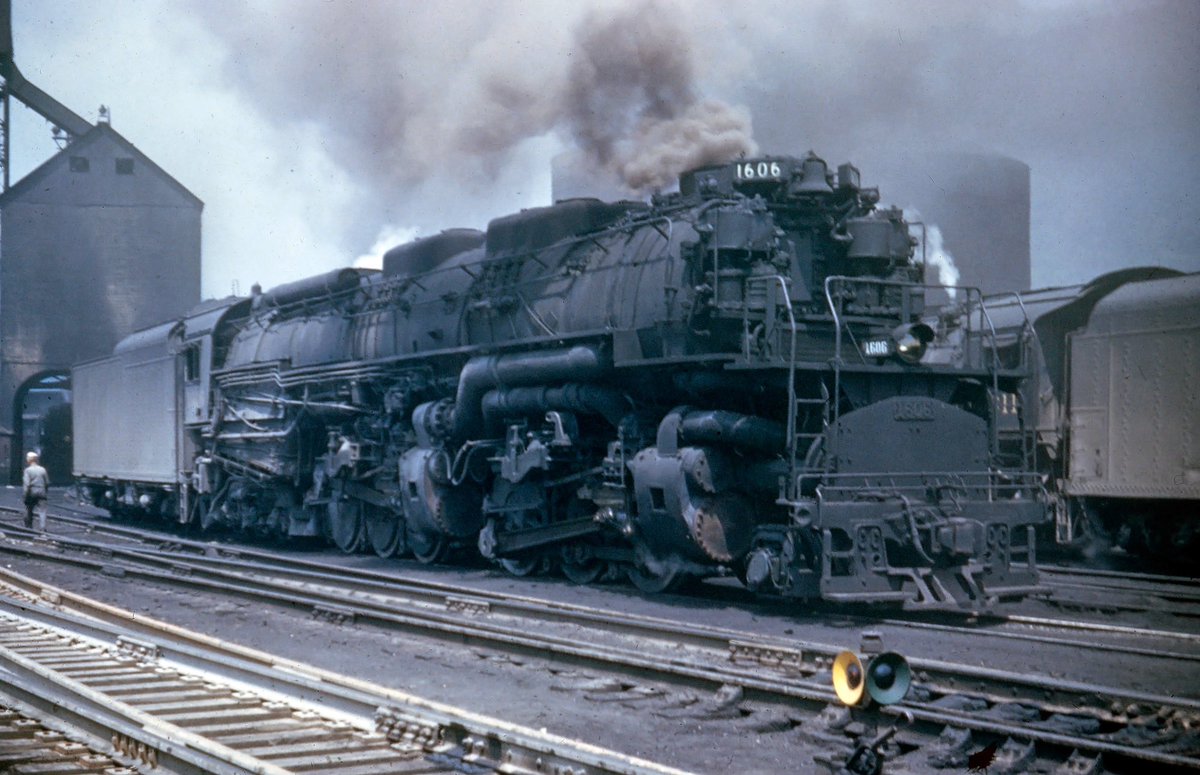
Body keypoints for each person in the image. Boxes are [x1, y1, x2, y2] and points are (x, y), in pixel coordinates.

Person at [22, 451, 49, 531]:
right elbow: (47, 482)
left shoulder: (27, 470)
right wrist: (45, 491)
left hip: (31, 493)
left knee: (28, 509)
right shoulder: (42, 469)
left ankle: (28, 526)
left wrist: (25, 494)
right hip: (42, 492)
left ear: (29, 460)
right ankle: (42, 527)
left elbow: (26, 484)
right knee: (42, 511)